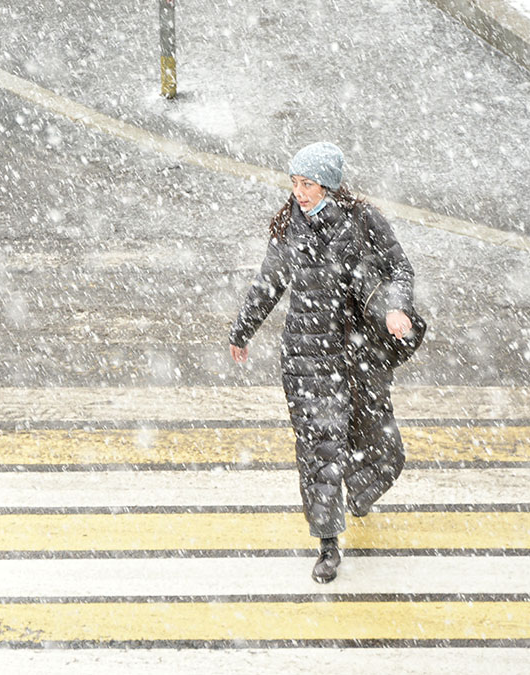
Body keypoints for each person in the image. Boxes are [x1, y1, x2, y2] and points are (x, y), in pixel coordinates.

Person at [228, 141, 417, 584]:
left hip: (357, 353)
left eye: (307, 183)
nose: (299, 192)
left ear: (329, 184)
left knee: (378, 442)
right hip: (307, 356)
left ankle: (365, 488)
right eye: (294, 182)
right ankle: (328, 544)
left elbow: (399, 270)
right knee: (319, 449)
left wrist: (396, 307)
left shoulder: (363, 220)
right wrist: (242, 329)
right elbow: (268, 282)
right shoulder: (289, 226)